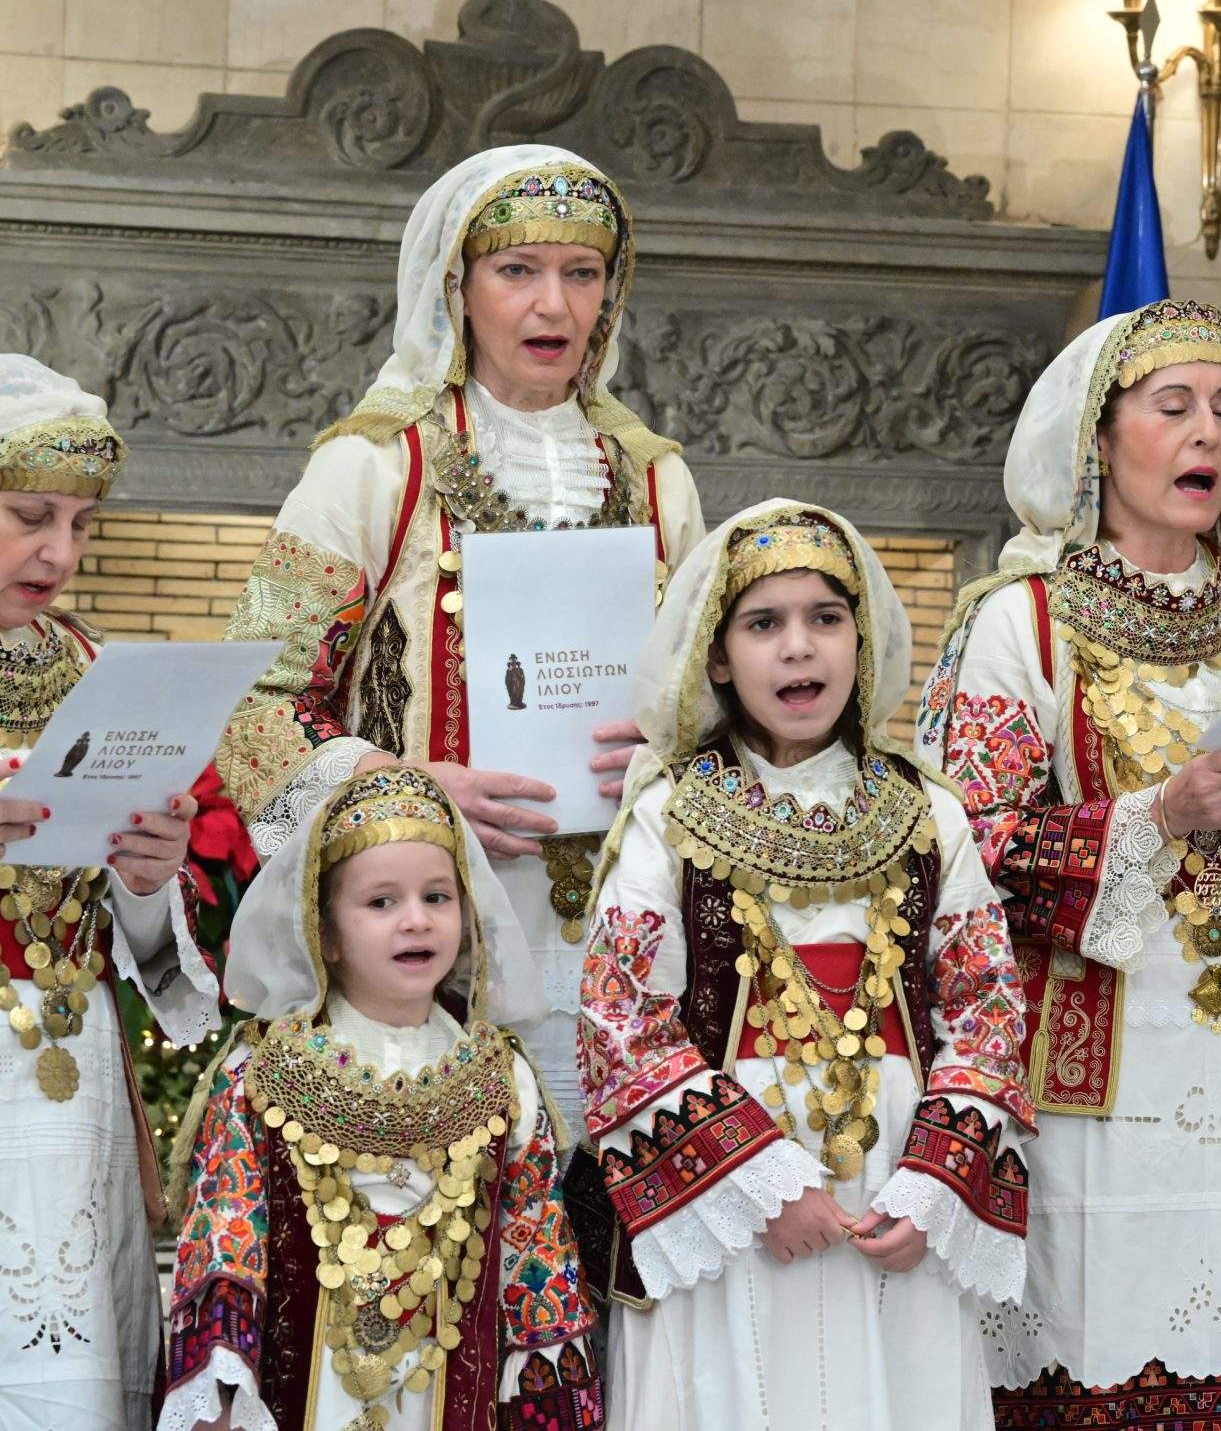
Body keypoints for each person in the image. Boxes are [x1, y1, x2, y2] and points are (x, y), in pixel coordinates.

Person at [918, 298, 1221, 1429]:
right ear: (1097, 437)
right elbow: (967, 855)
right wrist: (1157, 815)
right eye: (1173, 406)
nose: (1207, 432)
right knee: (1100, 1335)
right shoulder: (1021, 621)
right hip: (1098, 1072)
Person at [212, 146, 706, 1158]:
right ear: (457, 287)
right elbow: (251, 702)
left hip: (629, 930)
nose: (553, 303)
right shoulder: (369, 466)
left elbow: (714, 708)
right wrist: (401, 787)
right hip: (428, 935)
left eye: (581, 271)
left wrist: (675, 751)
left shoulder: (660, 481)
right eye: (517, 269)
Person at [578, 502, 1032, 1430]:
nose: (799, 646)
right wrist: (763, 1184)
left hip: (897, 1182)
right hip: (726, 1202)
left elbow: (988, 1004)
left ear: (861, 640)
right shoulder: (669, 810)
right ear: (717, 657)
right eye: (764, 623)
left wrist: (937, 1184)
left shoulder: (928, 811)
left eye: (826, 617)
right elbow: (619, 1017)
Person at [157, 762, 603, 1431]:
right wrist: (215, 1399)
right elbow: (226, 1238)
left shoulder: (501, 1076)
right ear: (326, 934)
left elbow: (537, 1262)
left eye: (437, 896)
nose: (416, 920)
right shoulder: (263, 1068)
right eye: (381, 902)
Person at [0, 356, 221, 1431]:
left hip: (72, 1063)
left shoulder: (93, 664)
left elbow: (138, 936)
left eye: (81, 525)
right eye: (30, 517)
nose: (60, 552)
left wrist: (147, 870)